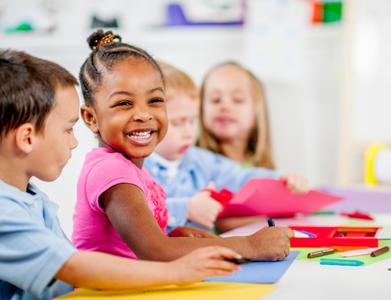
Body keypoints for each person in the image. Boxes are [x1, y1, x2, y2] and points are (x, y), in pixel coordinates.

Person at [0, 49, 243, 300]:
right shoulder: (4, 212)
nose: (74, 142)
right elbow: (71, 267)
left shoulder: (30, 197)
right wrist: (175, 271)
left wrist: (171, 239)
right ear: (27, 138)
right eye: (68, 130)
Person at [73, 29, 293, 263]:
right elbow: (156, 251)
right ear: (91, 118)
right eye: (124, 103)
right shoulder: (112, 171)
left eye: (155, 100)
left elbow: (143, 244)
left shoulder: (135, 169)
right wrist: (250, 245)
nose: (144, 114)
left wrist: (175, 236)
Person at [145, 62, 309, 233]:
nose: (189, 133)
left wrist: (283, 180)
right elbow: (133, 212)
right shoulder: (136, 166)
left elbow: (241, 178)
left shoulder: (202, 160)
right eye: (178, 122)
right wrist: (186, 209)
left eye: (192, 121)